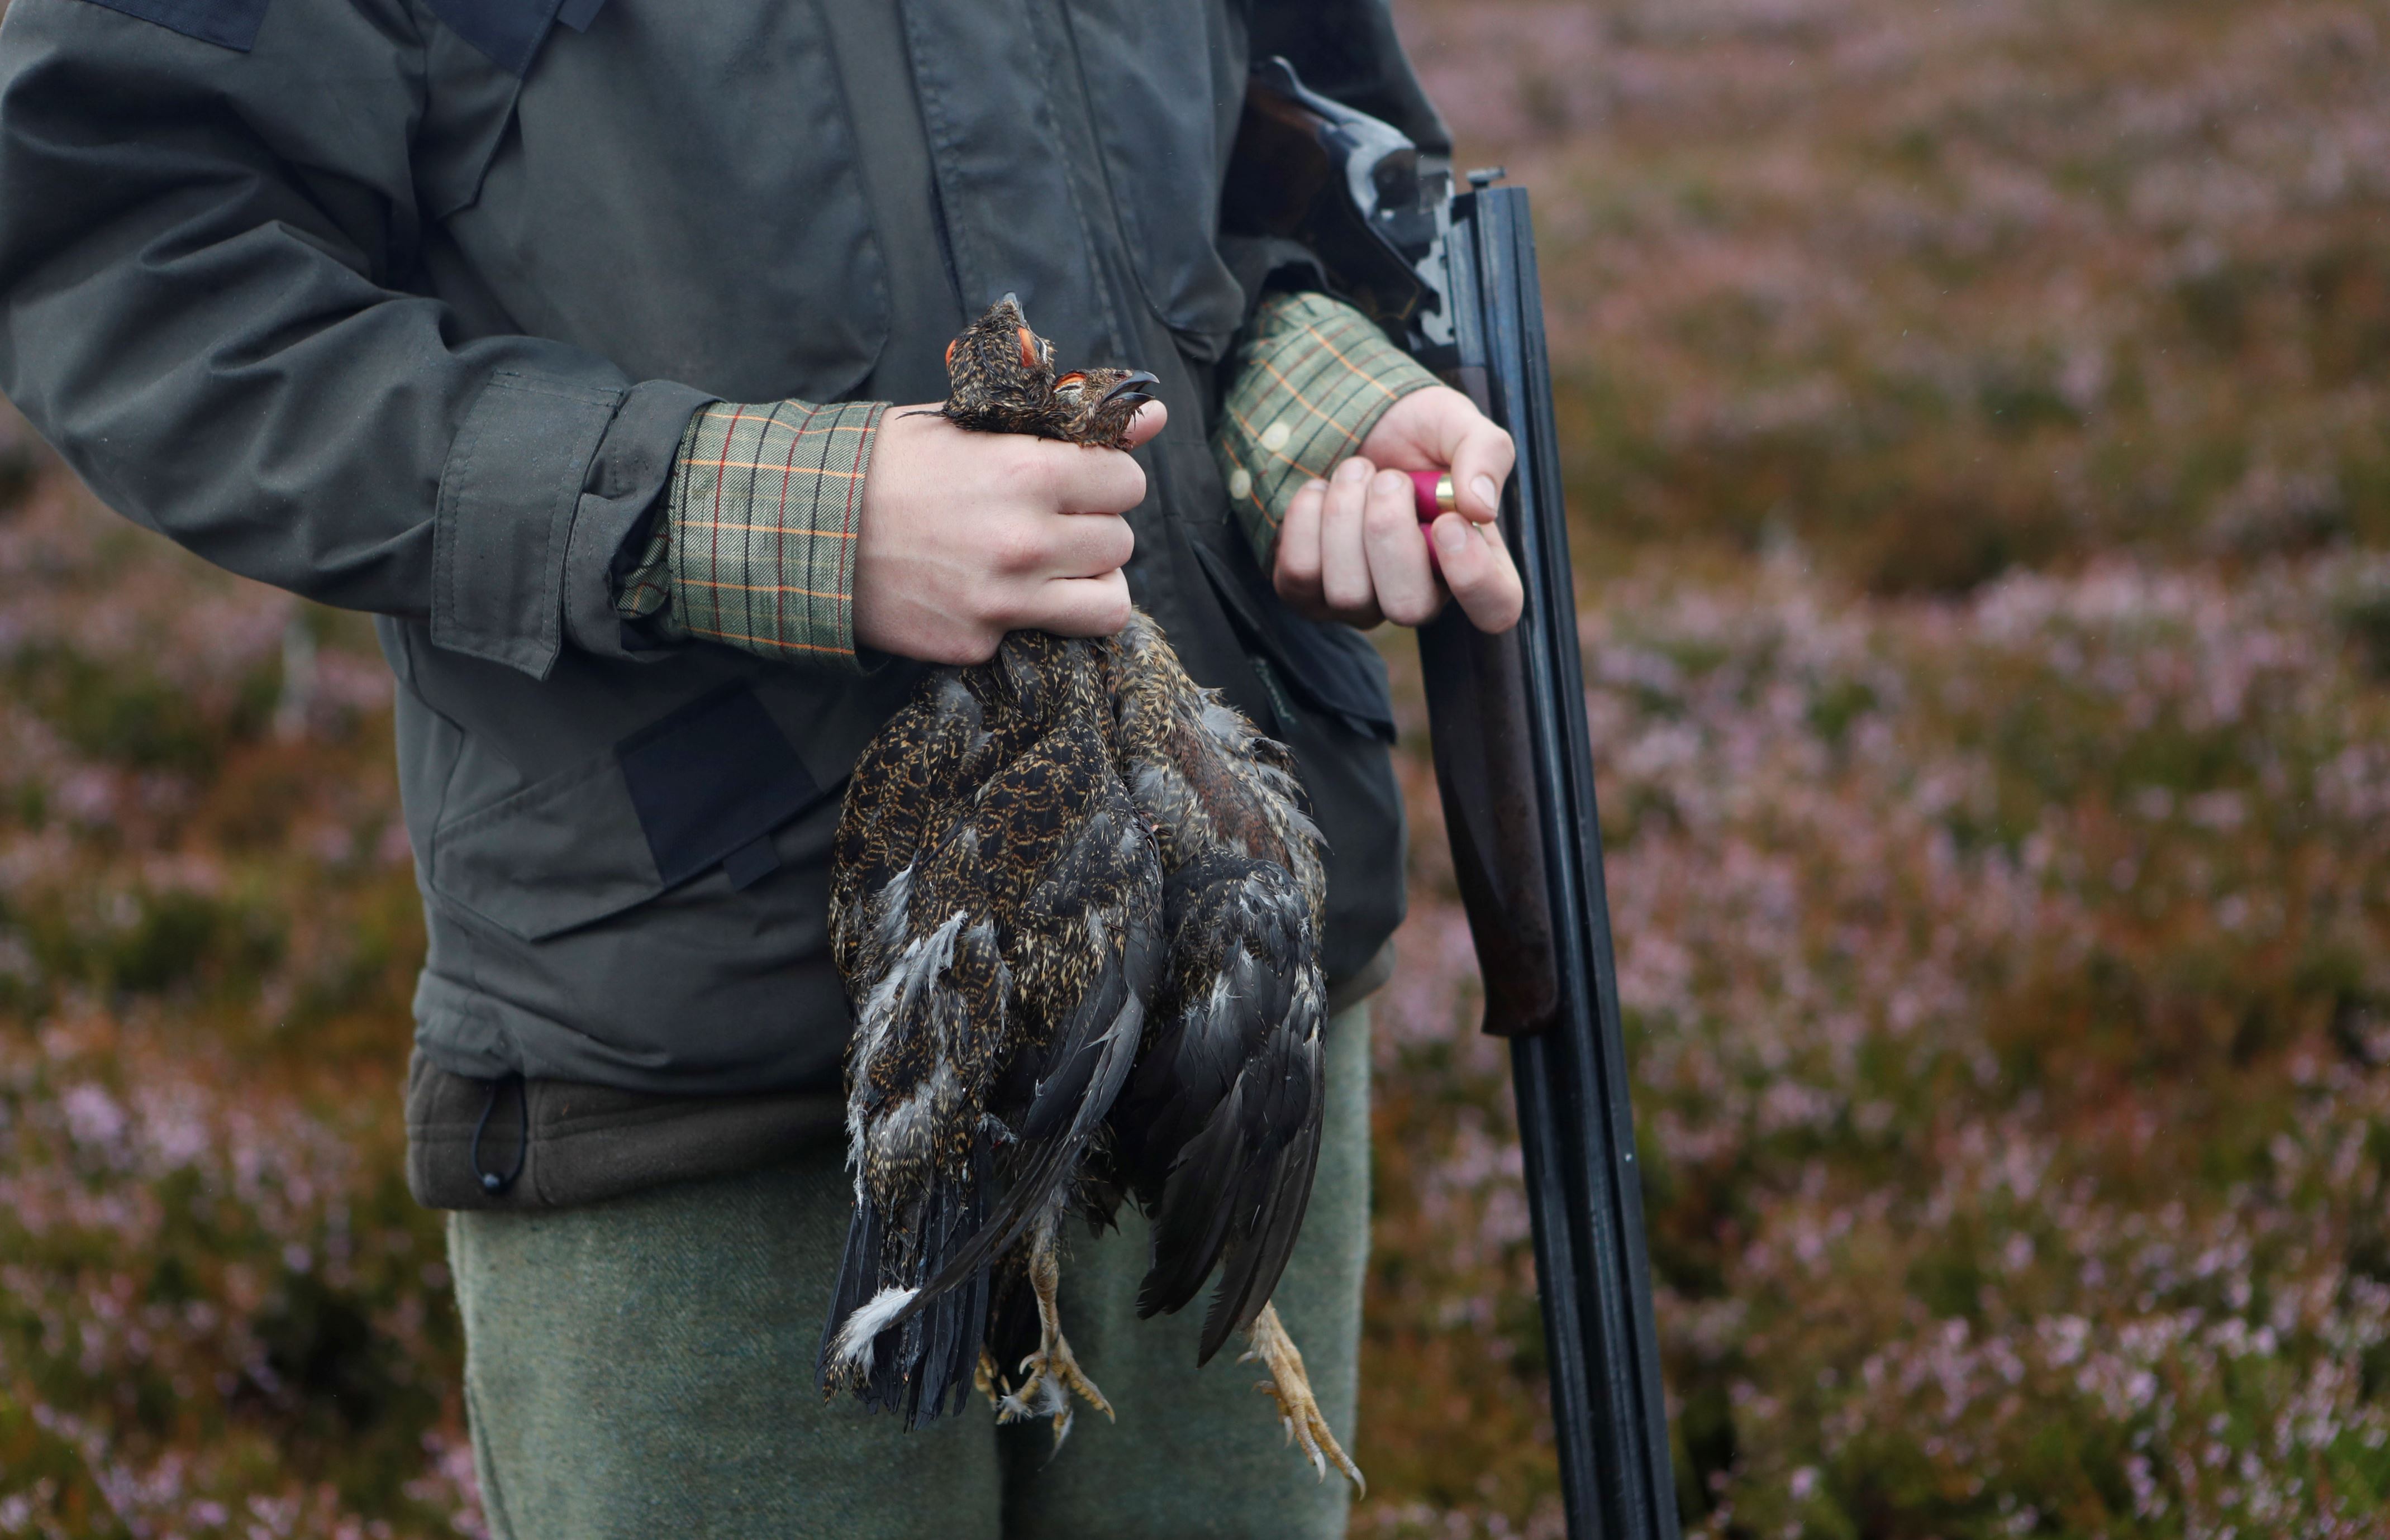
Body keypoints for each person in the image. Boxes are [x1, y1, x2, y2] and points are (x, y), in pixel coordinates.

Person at [0, 1, 1522, 1534]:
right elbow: (130, 254)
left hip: (1234, 1017)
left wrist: (1314, 368)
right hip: (713, 1082)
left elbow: (1312, 128)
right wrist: (749, 510)